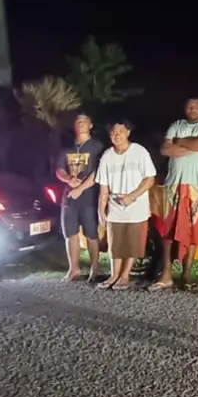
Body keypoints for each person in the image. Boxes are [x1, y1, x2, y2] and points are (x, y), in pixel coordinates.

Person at [153, 97, 198, 291]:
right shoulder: (177, 125)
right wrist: (193, 145)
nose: (193, 109)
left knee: (194, 231)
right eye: (189, 106)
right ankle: (166, 274)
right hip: (174, 185)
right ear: (185, 108)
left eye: (196, 106)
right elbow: (166, 149)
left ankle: (187, 274)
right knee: (168, 230)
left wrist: (180, 142)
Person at [95, 120, 156, 291]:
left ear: (128, 133)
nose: (117, 135)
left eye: (121, 131)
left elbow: (150, 179)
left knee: (132, 243)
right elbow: (104, 186)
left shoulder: (140, 152)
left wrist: (132, 196)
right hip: (115, 205)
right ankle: (114, 275)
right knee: (115, 243)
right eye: (113, 132)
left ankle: (124, 276)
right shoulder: (107, 156)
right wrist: (101, 209)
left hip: (136, 205)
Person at [56, 112, 105, 282]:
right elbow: (59, 170)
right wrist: (68, 179)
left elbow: (99, 171)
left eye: (85, 120)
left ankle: (95, 267)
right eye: (78, 121)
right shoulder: (66, 148)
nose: (81, 123)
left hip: (89, 196)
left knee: (91, 233)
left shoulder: (97, 147)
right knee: (70, 232)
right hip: (69, 196)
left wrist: (81, 188)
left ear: (91, 125)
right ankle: (74, 268)